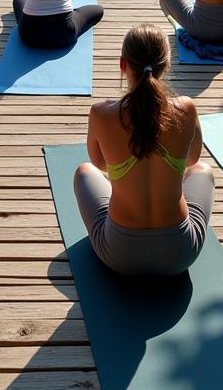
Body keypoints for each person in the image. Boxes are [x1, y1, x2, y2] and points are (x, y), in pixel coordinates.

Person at [74, 24, 214, 275]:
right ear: (166, 66)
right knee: (203, 170)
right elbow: (193, 159)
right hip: (180, 254)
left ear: (122, 64)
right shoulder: (186, 108)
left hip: (118, 254)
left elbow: (100, 166)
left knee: (84, 172)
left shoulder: (101, 113)